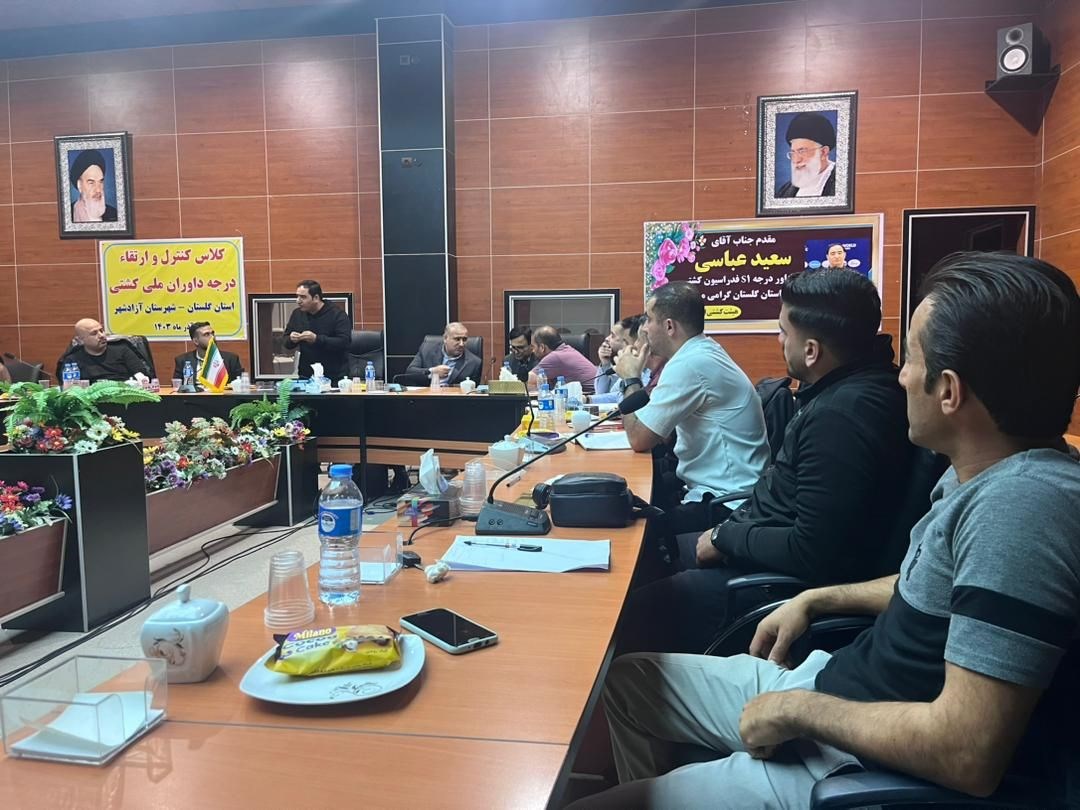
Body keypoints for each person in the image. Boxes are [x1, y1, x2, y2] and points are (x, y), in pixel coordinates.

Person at [570, 253, 1080, 809]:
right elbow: (941, 588)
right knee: (629, 682)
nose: (901, 376)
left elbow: (966, 752)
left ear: (950, 391)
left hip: (857, 759)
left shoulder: (1019, 510)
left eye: (912, 359)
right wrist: (820, 598)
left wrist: (799, 711)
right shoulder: (984, 475)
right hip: (841, 684)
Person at [615, 270, 914, 655]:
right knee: (642, 559)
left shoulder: (841, 416)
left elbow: (813, 550)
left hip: (777, 586)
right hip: (755, 538)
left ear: (811, 351)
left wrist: (724, 537)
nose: (779, 340)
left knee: (624, 613)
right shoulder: (844, 392)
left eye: (783, 331)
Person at [614, 282, 769, 537]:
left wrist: (631, 378)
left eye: (649, 319)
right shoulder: (700, 351)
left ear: (669, 326)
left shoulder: (690, 363)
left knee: (633, 530)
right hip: (719, 491)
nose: (644, 328)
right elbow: (660, 434)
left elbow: (639, 438)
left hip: (727, 504)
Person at [282, 280, 351, 381]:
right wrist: (291, 339)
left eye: (303, 297)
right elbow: (286, 342)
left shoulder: (337, 314)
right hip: (306, 375)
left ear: (316, 298)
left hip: (334, 376)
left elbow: (344, 342)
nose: (298, 301)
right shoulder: (297, 314)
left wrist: (316, 339)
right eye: (297, 296)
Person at [62, 319, 150, 382]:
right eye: (94, 333)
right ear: (80, 340)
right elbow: (71, 388)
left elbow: (141, 374)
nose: (101, 335)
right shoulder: (72, 360)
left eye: (101, 330)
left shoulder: (122, 349)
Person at [776, 111, 836, 198]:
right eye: (793, 152)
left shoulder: (841, 182)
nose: (796, 160)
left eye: (802, 151)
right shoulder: (784, 191)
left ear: (823, 152)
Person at [405, 322, 482, 386]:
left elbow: (473, 391)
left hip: (454, 398)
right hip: (427, 396)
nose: (461, 344)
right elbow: (410, 373)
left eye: (464, 339)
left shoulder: (474, 363)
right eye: (457, 339)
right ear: (445, 338)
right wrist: (432, 372)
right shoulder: (426, 350)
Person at [592, 315, 647, 404]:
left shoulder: (648, 372)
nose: (607, 338)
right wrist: (605, 363)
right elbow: (615, 395)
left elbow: (630, 403)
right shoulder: (625, 364)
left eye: (613, 335)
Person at [526, 326, 598, 393]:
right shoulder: (566, 350)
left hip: (591, 397)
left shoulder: (555, 357)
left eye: (533, 347)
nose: (533, 351)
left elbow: (525, 380)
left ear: (542, 347)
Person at [173, 322, 245, 382]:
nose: (212, 337)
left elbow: (240, 385)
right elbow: (176, 386)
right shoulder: (182, 361)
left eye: (212, 333)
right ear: (196, 341)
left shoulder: (231, 359)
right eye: (206, 334)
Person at [69, 150, 117, 223]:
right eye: (91, 183)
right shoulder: (68, 214)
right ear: (79, 185)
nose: (98, 190)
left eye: (100, 182)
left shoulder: (114, 214)